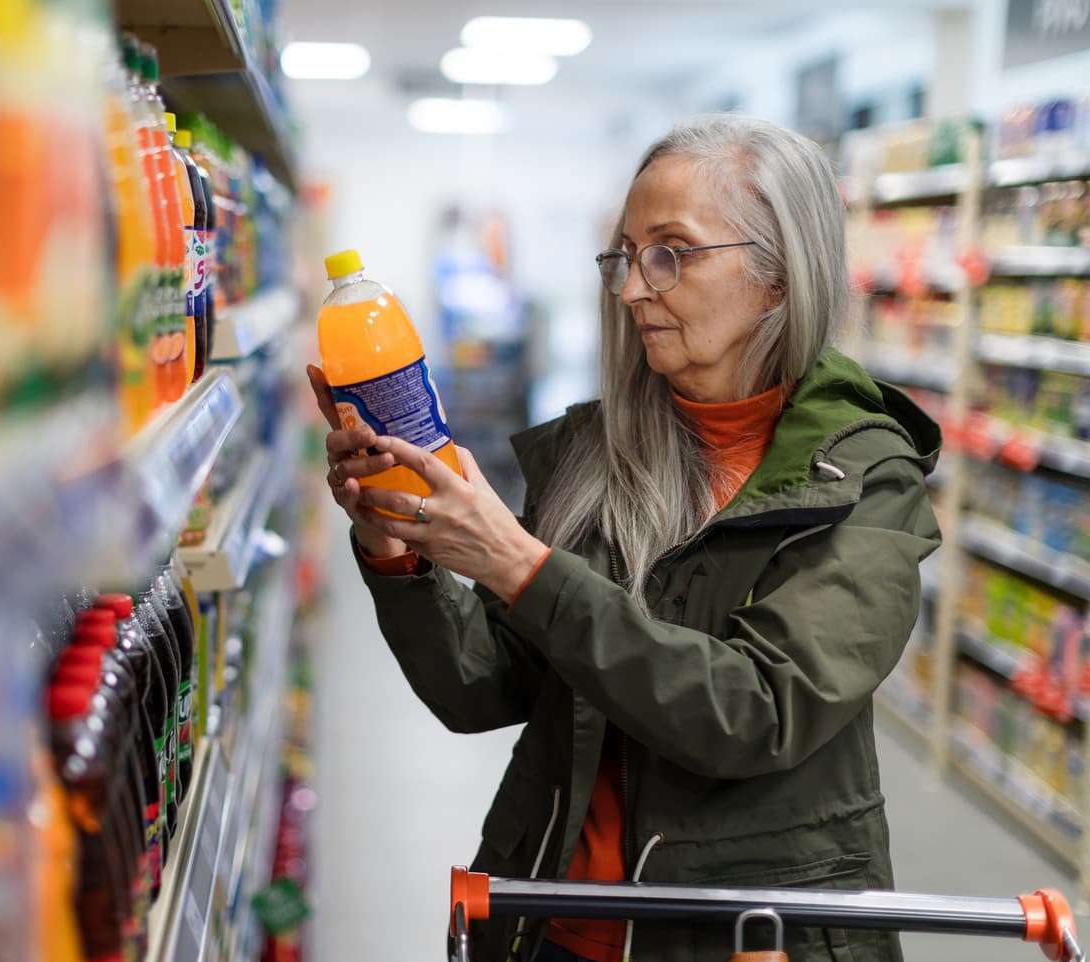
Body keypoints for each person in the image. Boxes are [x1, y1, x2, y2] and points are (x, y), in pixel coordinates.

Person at [306, 114, 940, 962]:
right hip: (554, 923)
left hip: (742, 940)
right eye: (624, 257)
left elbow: (755, 711)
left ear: (780, 275)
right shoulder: (592, 454)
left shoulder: (866, 480)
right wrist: (394, 541)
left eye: (670, 253)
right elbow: (480, 687)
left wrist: (523, 566)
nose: (633, 289)